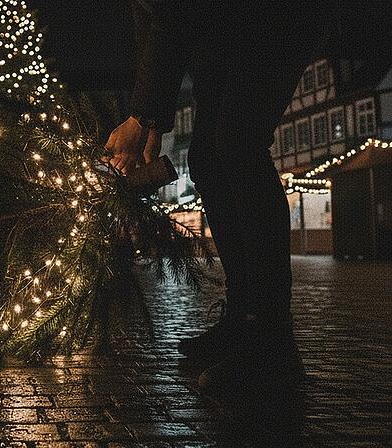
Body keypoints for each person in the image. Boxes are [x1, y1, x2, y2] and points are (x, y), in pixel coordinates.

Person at [103, 1, 329, 389]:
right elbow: (152, 25)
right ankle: (243, 321)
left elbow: (170, 17)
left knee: (238, 144)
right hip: (222, 37)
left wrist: (139, 116)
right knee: (207, 159)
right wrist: (153, 121)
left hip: (272, 19)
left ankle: (273, 342)